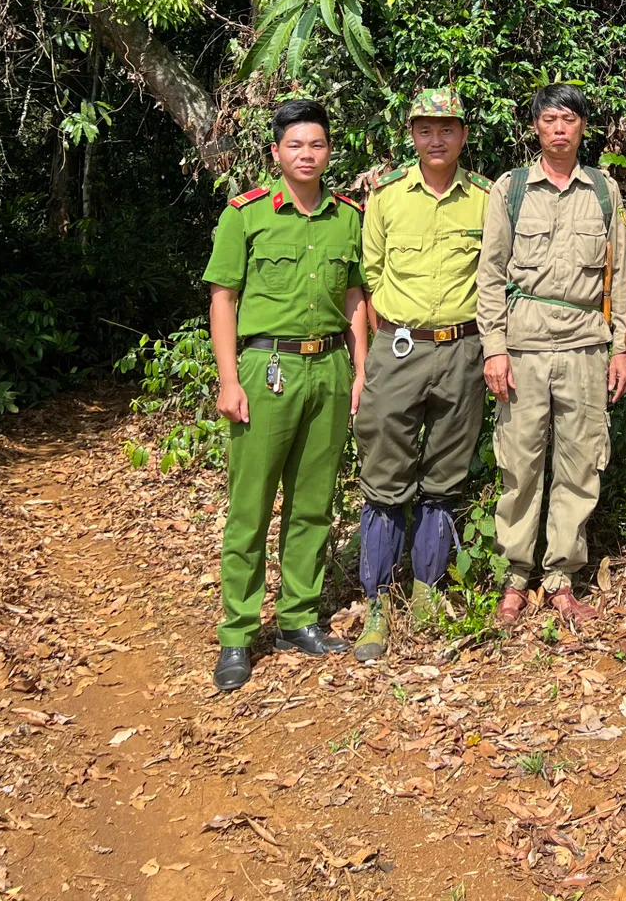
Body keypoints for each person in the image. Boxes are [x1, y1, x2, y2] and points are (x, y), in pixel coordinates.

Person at [204, 98, 369, 693]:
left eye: (317, 145)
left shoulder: (346, 216)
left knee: (312, 503)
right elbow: (223, 298)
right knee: (251, 506)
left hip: (327, 368)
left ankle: (298, 618)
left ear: (329, 152)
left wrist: (359, 369)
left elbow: (354, 297)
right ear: (276, 152)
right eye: (296, 145)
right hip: (264, 366)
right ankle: (237, 632)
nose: (307, 154)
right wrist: (228, 380)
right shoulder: (245, 214)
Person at [477, 84, 626, 628]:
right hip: (523, 349)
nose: (560, 129)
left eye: (569, 119)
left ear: (583, 127)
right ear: (536, 128)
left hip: (587, 346)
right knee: (519, 464)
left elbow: (622, 278)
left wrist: (620, 349)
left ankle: (561, 575)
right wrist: (494, 349)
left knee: (579, 464)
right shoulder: (512, 189)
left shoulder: (605, 192)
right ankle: (516, 576)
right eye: (550, 120)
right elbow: (491, 275)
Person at [352, 87, 491, 662]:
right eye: (425, 129)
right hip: (399, 348)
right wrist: (371, 360)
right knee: (385, 475)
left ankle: (428, 588)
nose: (437, 140)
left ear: (462, 134)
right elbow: (369, 275)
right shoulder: (386, 197)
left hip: (463, 350)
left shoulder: (486, 197)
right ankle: (378, 602)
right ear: (412, 135)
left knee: (445, 476)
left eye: (447, 129)